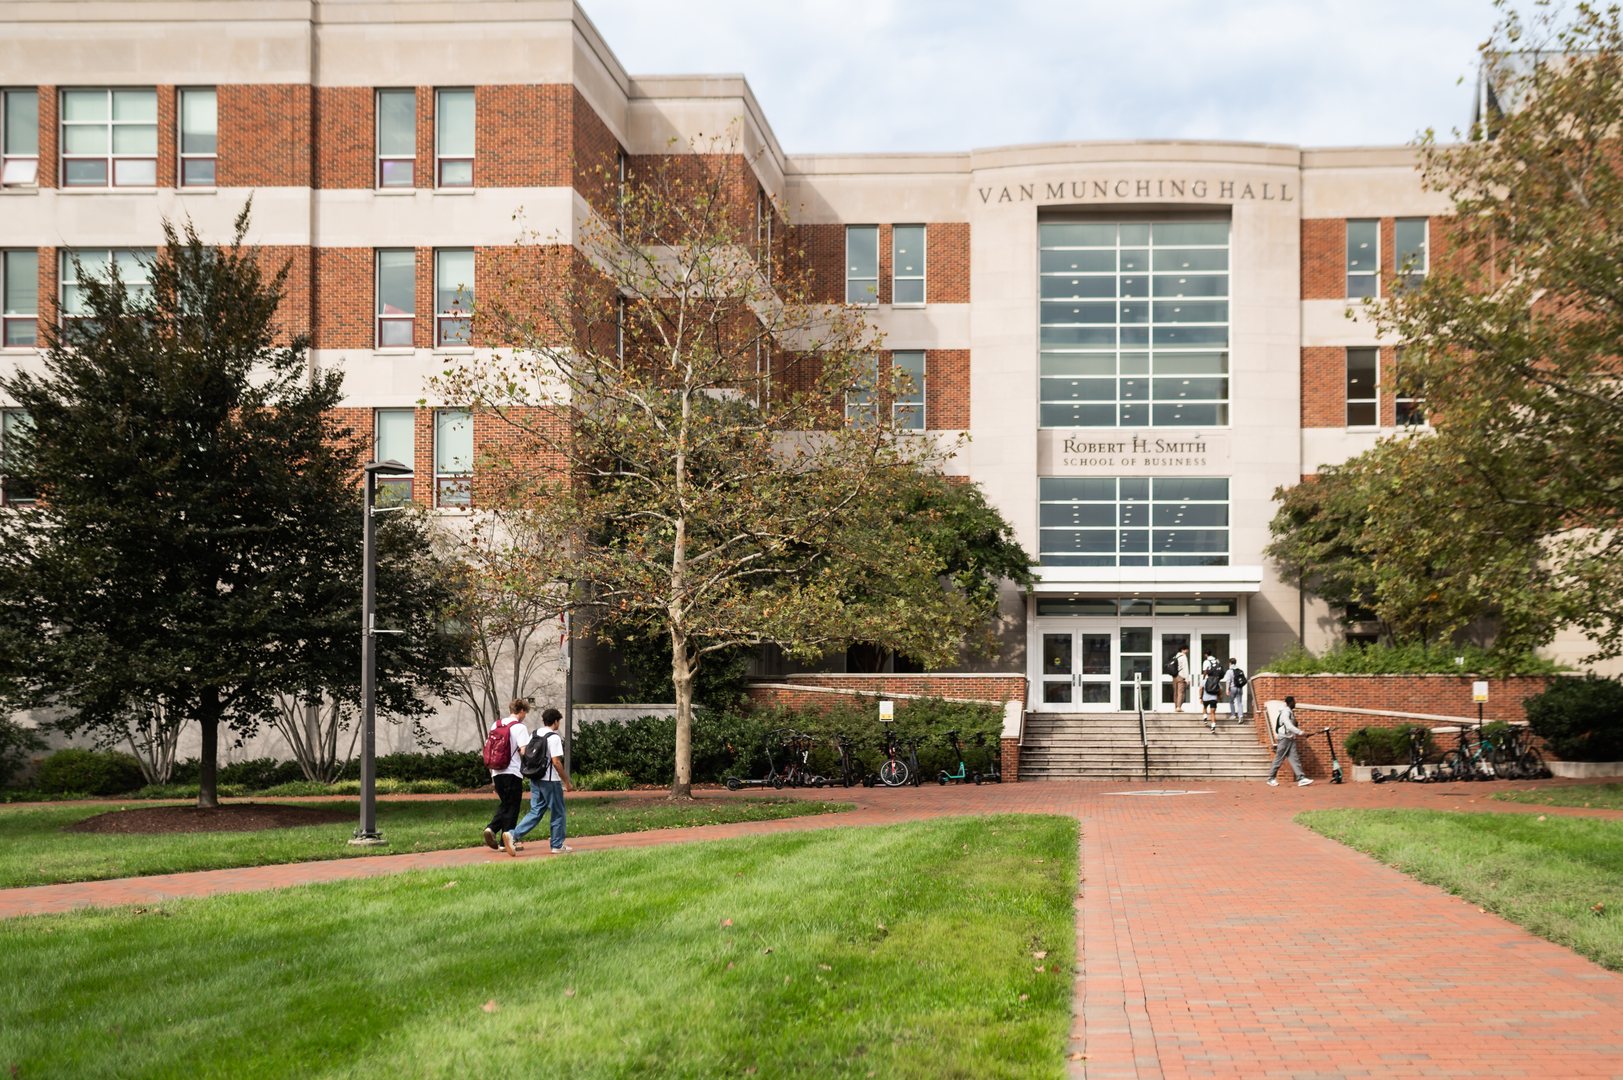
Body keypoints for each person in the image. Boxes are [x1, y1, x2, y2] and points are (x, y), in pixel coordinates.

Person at [511, 706, 573, 854]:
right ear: (556, 721)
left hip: (535, 778)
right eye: (558, 721)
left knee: (536, 810)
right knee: (558, 812)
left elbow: (525, 752)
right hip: (550, 780)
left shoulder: (535, 734)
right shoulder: (554, 737)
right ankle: (557, 845)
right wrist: (566, 781)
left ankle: (512, 835)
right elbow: (556, 762)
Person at [483, 698, 531, 854]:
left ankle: (496, 833)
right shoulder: (520, 727)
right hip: (512, 771)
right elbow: (524, 751)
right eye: (525, 712)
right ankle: (504, 838)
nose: (525, 715)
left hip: (496, 771)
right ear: (522, 711)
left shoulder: (495, 725)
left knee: (506, 803)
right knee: (513, 805)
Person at [1266, 695, 1314, 787]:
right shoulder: (1285, 712)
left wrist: (1299, 733)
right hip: (1284, 738)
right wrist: (1301, 733)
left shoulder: (1290, 712)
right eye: (1294, 702)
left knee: (1295, 759)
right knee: (1279, 758)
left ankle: (1301, 778)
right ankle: (1271, 778)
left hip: (1290, 738)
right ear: (1290, 702)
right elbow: (1288, 726)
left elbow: (1292, 726)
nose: (1295, 703)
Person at [1200, 664, 1222, 731]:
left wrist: (1200, 697)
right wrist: (1219, 696)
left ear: (1207, 674)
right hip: (1213, 698)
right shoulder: (1216, 681)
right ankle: (1213, 726)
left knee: (1204, 707)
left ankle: (1205, 717)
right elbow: (1220, 689)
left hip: (1205, 698)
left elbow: (1201, 689)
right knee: (1213, 713)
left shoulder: (1204, 681)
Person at [1171, 646, 1192, 711]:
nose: (1187, 651)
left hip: (1174, 676)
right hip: (1181, 676)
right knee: (1181, 692)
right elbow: (1185, 668)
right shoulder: (1183, 657)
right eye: (1186, 650)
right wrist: (1187, 679)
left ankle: (1176, 706)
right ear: (1183, 650)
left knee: (1175, 692)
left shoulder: (1175, 656)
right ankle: (1179, 707)